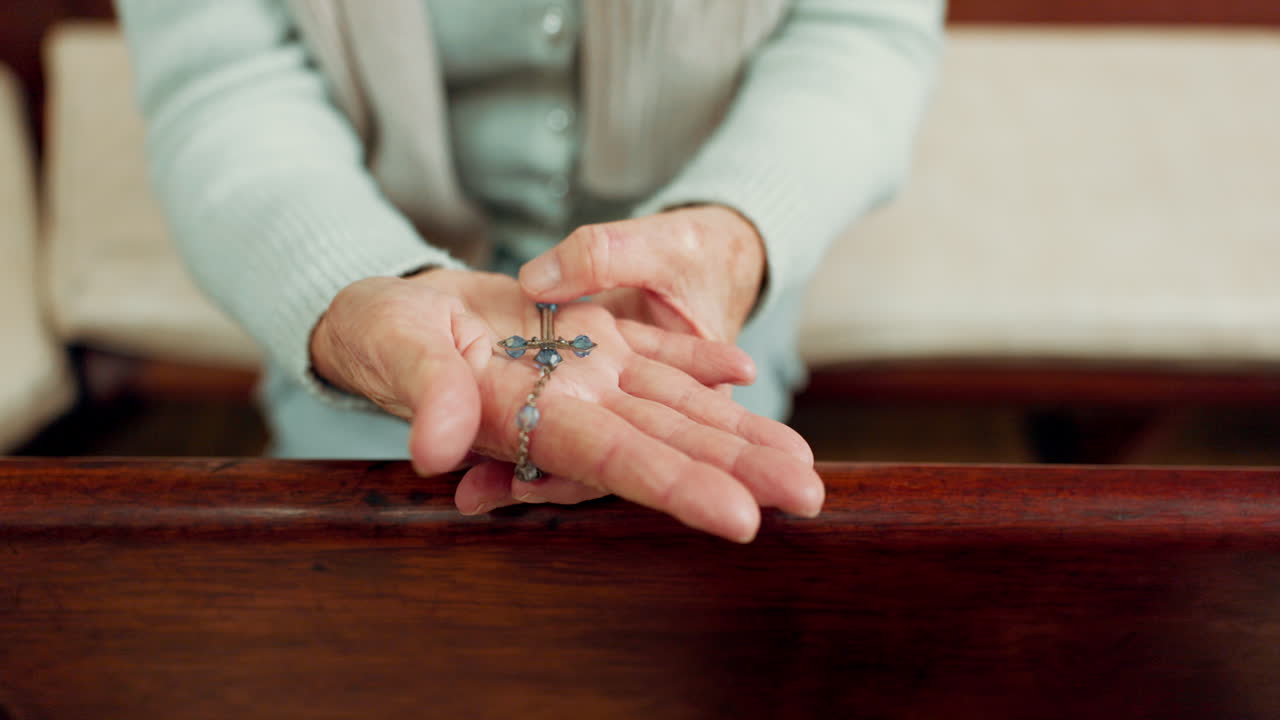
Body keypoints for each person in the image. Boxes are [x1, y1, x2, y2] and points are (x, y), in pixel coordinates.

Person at [116, 0, 944, 542]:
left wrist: (735, 231)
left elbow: (861, 33)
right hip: (363, 323)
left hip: (694, 329)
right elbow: (224, 81)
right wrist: (351, 280)